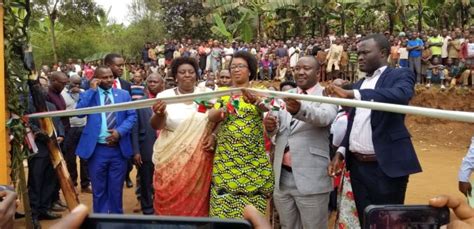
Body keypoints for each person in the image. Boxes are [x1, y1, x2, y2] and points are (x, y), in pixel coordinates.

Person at [326, 33, 422, 225]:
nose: (360, 57)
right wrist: (341, 152)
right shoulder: (361, 83)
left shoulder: (400, 74)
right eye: (358, 53)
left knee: (387, 223)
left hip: (386, 167)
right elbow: (353, 122)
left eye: (365, 53)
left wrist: (354, 93)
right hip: (358, 167)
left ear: (383, 53)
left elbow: (401, 95)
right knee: (366, 219)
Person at [263, 56, 337, 228]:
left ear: (318, 73)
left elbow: (325, 117)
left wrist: (300, 109)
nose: (301, 72)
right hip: (282, 178)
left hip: (311, 179)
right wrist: (270, 127)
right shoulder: (285, 95)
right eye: (297, 68)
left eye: (306, 68)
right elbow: (277, 129)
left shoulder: (327, 95)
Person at [208, 51, 274, 218]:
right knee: (223, 216)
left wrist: (257, 102)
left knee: (252, 218)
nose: (236, 70)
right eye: (233, 67)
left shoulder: (259, 91)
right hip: (227, 161)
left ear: (250, 70)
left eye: (240, 66)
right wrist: (222, 111)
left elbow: (270, 109)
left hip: (252, 161)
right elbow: (211, 116)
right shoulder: (222, 92)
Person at [150, 57, 214, 216]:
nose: (187, 75)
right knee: (169, 197)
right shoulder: (165, 96)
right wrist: (159, 113)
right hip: (170, 157)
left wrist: (214, 135)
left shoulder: (208, 95)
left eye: (191, 72)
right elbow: (156, 125)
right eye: (182, 72)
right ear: (175, 76)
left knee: (196, 200)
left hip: (199, 158)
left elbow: (219, 118)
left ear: (197, 75)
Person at [75, 66, 137, 213]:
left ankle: (116, 221)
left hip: (118, 150)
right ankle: (101, 221)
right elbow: (79, 113)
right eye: (104, 77)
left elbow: (132, 116)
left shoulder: (123, 95)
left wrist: (119, 132)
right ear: (96, 79)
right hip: (97, 150)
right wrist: (91, 90)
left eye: (111, 76)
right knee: (99, 190)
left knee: (116, 190)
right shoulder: (90, 95)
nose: (109, 80)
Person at [132, 74, 164, 215]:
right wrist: (136, 150)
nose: (152, 84)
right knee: (145, 180)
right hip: (146, 147)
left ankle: (161, 206)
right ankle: (147, 209)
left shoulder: (170, 101)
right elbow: (134, 127)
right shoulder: (140, 102)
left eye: (155, 81)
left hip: (166, 147)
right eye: (150, 81)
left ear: (162, 84)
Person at [104, 53, 134, 188]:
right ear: (108, 66)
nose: (122, 68)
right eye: (119, 65)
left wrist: (121, 130)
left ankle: (126, 176)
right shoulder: (93, 85)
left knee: (126, 158)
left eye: (123, 65)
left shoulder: (126, 85)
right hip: (104, 133)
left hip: (123, 130)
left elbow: (130, 111)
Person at [61, 75, 91, 193]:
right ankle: (73, 182)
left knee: (84, 158)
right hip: (70, 129)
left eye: (79, 84)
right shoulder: (63, 94)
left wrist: (81, 92)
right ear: (69, 82)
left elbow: (87, 103)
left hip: (83, 127)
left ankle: (85, 184)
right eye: (74, 84)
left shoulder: (83, 92)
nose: (76, 86)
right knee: (71, 158)